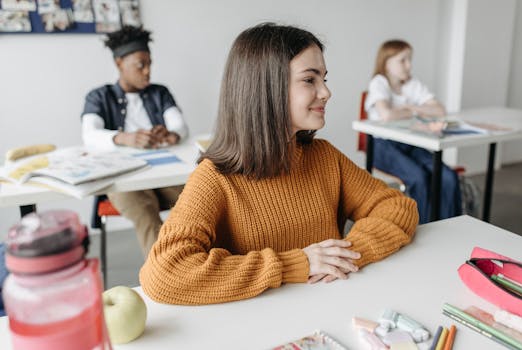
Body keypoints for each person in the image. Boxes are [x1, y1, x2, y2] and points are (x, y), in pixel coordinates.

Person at [140, 23, 418, 305]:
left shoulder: (324, 156)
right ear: (267, 88)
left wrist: (347, 252)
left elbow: (397, 206)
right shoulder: (214, 177)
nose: (326, 92)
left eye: (324, 78)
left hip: (331, 311)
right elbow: (165, 273)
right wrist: (295, 264)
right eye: (310, 80)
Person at [81, 25, 189, 256]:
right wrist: (123, 138)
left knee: (200, 198)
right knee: (146, 213)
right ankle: (166, 277)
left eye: (150, 64)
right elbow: (89, 135)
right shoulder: (98, 96)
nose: (148, 71)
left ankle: (203, 262)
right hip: (121, 178)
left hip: (162, 174)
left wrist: (172, 135)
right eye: (141, 65)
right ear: (119, 63)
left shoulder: (160, 92)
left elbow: (180, 125)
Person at [365, 39, 462, 224]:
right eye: (403, 60)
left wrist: (411, 110)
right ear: (386, 63)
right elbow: (386, 114)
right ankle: (424, 227)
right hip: (382, 146)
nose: (408, 65)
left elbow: (440, 110)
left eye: (410, 60)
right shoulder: (379, 82)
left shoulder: (412, 84)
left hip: (410, 143)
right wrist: (414, 109)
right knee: (419, 177)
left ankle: (450, 226)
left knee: (448, 176)